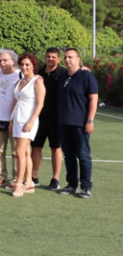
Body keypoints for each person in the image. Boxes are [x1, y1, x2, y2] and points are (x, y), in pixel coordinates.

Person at [57, 48, 98, 198]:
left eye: (71, 57)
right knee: (69, 155)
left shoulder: (86, 76)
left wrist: (90, 120)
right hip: (64, 123)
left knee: (83, 155)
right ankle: (71, 185)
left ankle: (86, 187)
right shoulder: (62, 77)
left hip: (80, 123)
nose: (67, 60)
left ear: (78, 59)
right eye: (66, 57)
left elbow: (93, 98)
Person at [10, 53, 45, 198]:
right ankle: (29, 182)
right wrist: (11, 120)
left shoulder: (37, 81)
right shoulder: (19, 82)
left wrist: (31, 122)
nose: (24, 67)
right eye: (22, 64)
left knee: (19, 152)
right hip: (17, 119)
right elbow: (15, 101)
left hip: (28, 121)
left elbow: (40, 104)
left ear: (33, 66)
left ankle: (19, 183)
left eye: (27, 65)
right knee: (25, 152)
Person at [33, 47, 66, 190]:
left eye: (53, 57)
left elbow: (78, 73)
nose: (50, 59)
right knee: (36, 147)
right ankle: (34, 177)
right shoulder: (38, 73)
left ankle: (55, 179)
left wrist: (84, 69)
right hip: (39, 117)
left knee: (56, 148)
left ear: (59, 59)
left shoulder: (64, 73)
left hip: (56, 119)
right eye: (48, 56)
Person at [0, 48, 20, 187]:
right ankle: (0, 176)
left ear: (13, 61)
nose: (2, 63)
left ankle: (16, 178)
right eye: (0, 60)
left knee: (16, 151)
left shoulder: (20, 75)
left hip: (15, 119)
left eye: (5, 60)